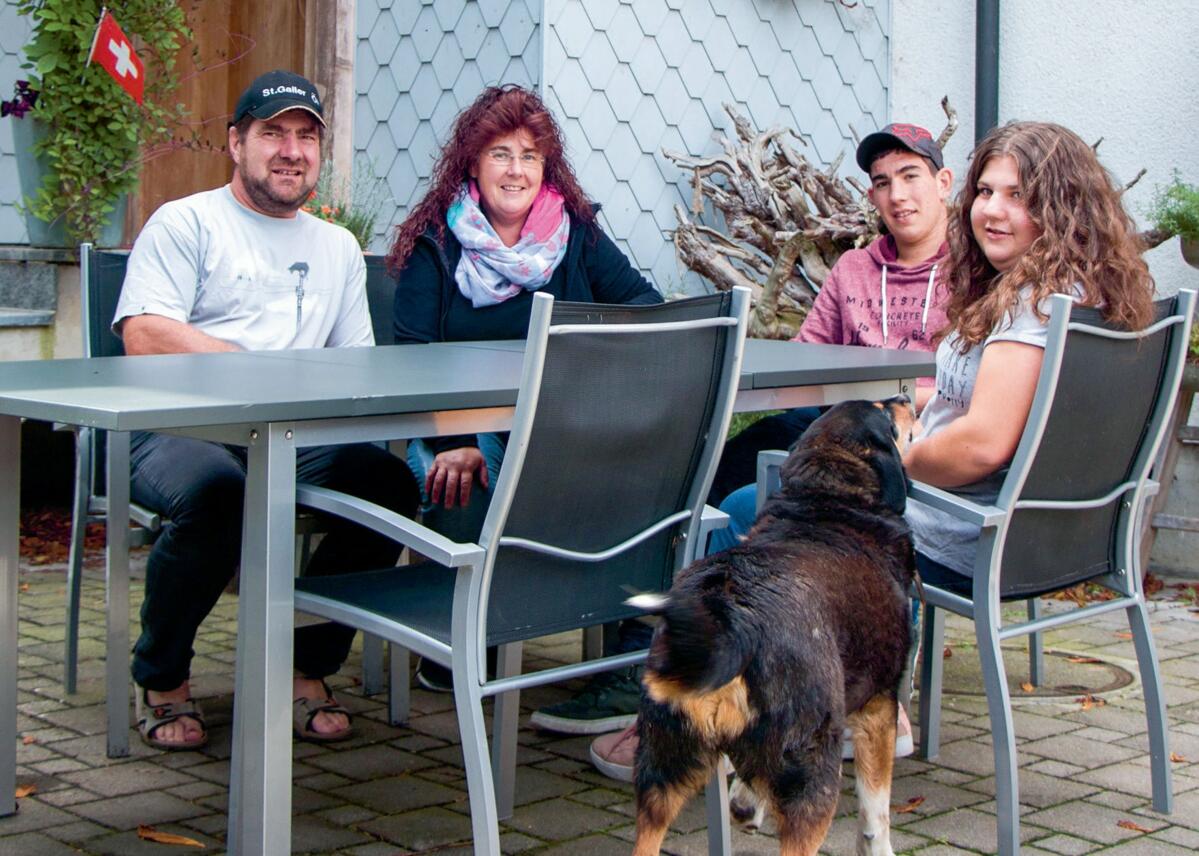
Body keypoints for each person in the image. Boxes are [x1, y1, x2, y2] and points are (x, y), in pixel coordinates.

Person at [588, 122, 954, 781]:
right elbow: (803, 361)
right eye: (882, 183)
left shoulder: (970, 272)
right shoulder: (853, 269)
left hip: (912, 451)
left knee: (754, 509)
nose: (897, 195)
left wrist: (897, 403)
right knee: (698, 482)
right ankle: (661, 665)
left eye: (911, 177)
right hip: (830, 433)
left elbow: (969, 384)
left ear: (943, 183)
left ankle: (850, 695)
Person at [113, 70, 420, 750]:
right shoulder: (187, 222)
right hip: (179, 426)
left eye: (306, 137)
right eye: (273, 133)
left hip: (291, 435)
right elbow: (144, 336)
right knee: (219, 494)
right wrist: (254, 364)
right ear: (236, 143)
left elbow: (356, 365)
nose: (291, 151)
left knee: (390, 485)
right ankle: (161, 677)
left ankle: (303, 668)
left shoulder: (336, 247)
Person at [387, 84, 661, 730]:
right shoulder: (436, 244)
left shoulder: (576, 236)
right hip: (460, 429)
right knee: (465, 482)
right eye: (500, 154)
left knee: (640, 475)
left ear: (546, 168)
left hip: (556, 430)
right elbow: (412, 361)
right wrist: (456, 436)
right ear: (472, 163)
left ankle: (629, 662)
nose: (516, 170)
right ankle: (464, 640)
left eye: (530, 156)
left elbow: (646, 309)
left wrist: (589, 368)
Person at [903, 120, 1154, 587]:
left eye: (1018, 195)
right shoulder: (1091, 296)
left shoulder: (1033, 307)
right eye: (984, 191)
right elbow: (1010, 408)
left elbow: (981, 446)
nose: (991, 210)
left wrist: (899, 458)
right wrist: (908, 405)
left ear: (1063, 209)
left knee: (769, 497)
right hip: (1052, 547)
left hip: (958, 535)